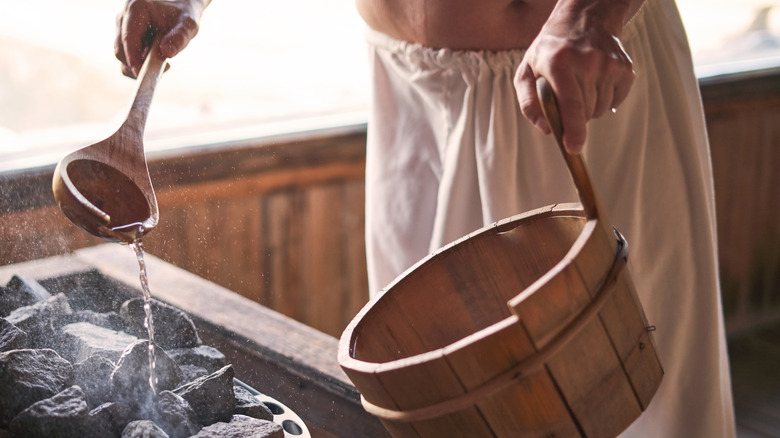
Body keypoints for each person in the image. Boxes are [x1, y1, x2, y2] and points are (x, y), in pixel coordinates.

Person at [115, 0, 736, 436]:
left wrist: (590, 13)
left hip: (573, 80)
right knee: (439, 396)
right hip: (411, 94)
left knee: (637, 388)